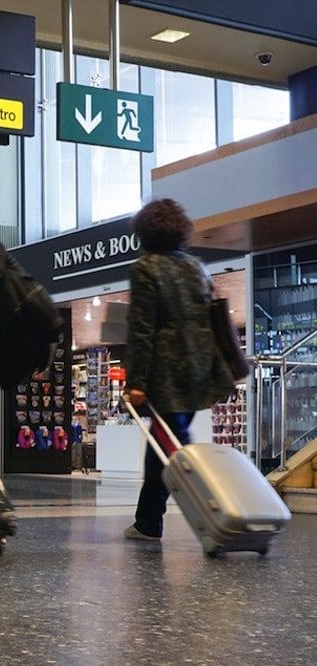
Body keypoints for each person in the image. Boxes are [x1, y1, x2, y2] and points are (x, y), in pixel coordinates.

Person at [122, 199, 235, 542]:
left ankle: (214, 509)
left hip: (165, 370)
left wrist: (137, 381)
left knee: (175, 444)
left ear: (144, 233)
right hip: (198, 365)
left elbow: (142, 328)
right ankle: (147, 520)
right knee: (166, 439)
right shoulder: (196, 267)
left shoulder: (145, 268)